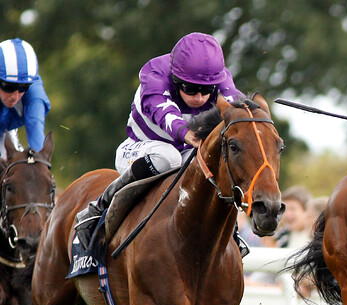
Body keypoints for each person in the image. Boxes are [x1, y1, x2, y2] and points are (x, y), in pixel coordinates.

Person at [74, 32, 241, 249]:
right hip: (140, 149)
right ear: (175, 79)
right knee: (168, 157)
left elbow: (236, 110)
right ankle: (97, 208)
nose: (199, 98)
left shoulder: (219, 76)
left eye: (207, 91)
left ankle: (231, 233)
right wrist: (185, 133)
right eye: (191, 89)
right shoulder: (153, 73)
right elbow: (165, 113)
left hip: (187, 152)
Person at [0, 38, 50, 159]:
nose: (15, 96)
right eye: (9, 87)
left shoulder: (35, 96)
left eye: (23, 88)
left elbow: (36, 139)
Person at [270, 185, 312, 250]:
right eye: (285, 209)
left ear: (306, 210)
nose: (287, 214)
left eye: (292, 209)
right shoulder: (282, 236)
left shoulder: (316, 236)